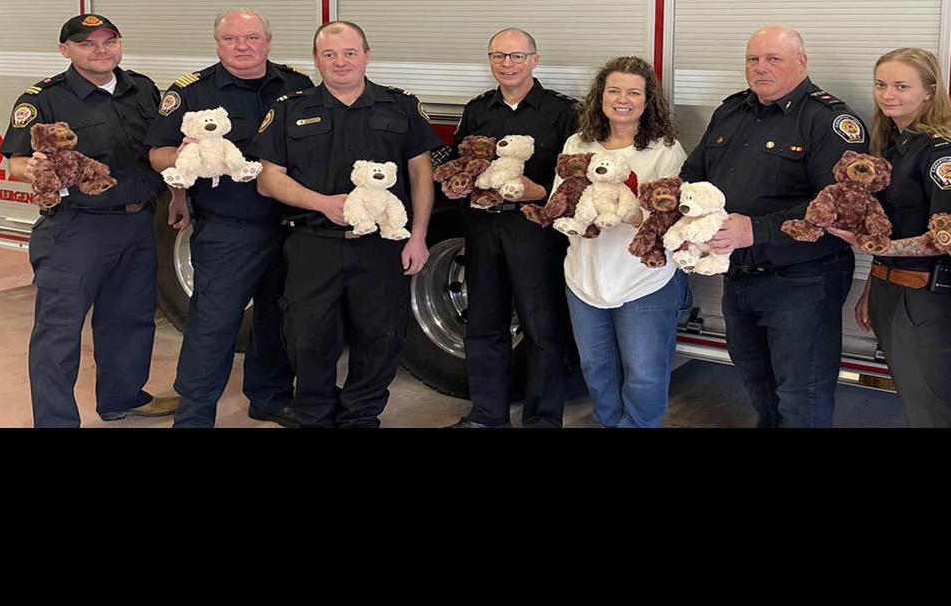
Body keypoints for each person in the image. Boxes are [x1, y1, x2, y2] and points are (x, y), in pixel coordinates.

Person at [247, 21, 440, 428]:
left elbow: (421, 175)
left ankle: (360, 415)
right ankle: (315, 413)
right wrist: (324, 203)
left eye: (350, 53)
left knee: (380, 335)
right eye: (329, 54)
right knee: (307, 337)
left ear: (367, 56)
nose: (340, 62)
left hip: (381, 246)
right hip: (313, 242)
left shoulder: (400, 106)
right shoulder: (289, 109)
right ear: (316, 60)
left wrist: (418, 236)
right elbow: (268, 179)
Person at [679, 25, 867, 428]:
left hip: (803, 279)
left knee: (802, 394)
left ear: (801, 62)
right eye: (753, 59)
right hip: (738, 273)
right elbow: (693, 176)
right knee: (755, 378)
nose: (760, 68)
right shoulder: (731, 110)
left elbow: (839, 206)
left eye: (773, 59)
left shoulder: (830, 121)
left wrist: (756, 231)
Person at [0, 14, 176, 427]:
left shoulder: (142, 89)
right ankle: (56, 421)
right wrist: (43, 169)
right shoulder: (44, 98)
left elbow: (159, 150)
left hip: (138, 223)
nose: (101, 51)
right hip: (75, 228)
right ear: (66, 50)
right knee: (59, 333)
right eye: (87, 44)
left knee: (130, 319)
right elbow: (15, 163)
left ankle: (122, 397)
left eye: (109, 41)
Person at [145, 9, 314, 428]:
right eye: (231, 39)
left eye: (252, 38)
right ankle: (196, 413)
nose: (243, 47)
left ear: (268, 41)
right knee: (213, 324)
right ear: (217, 43)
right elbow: (157, 153)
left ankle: (270, 397)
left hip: (292, 226)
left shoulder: (296, 84)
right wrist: (185, 164)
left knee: (278, 319)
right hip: (229, 229)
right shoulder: (192, 91)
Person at [827, 48, 951, 427]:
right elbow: (893, 224)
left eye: (902, 86)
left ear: (930, 92)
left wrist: (875, 247)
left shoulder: (943, 154)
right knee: (914, 402)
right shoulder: (893, 145)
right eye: (881, 84)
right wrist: (872, 283)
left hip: (926, 298)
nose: (888, 95)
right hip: (892, 290)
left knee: (928, 412)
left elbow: (946, 239)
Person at [444, 28, 580, 429]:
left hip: (534, 231)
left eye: (517, 56)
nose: (508, 64)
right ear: (490, 61)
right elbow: (460, 160)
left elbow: (575, 175)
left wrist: (540, 191)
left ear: (535, 60)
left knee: (542, 326)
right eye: (499, 56)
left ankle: (542, 418)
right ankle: (487, 413)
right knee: (484, 322)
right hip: (483, 227)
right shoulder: (478, 109)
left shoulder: (561, 112)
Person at [558, 56, 689, 428]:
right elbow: (562, 202)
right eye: (614, 90)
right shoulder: (577, 143)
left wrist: (630, 215)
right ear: (600, 96)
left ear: (649, 101)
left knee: (645, 370)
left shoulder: (665, 150)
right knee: (595, 365)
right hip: (584, 277)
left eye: (634, 92)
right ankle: (608, 420)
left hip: (645, 281)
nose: (623, 99)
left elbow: (674, 217)